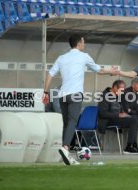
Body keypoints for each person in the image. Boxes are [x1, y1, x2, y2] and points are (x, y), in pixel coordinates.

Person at [43, 34, 117, 165]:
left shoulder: (61, 58)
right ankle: (65, 148)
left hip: (62, 95)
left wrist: (45, 92)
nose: (84, 44)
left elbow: (49, 74)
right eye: (83, 41)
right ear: (79, 43)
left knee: (66, 124)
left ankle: (65, 153)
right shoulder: (84, 56)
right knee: (73, 122)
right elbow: (98, 70)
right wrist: (111, 70)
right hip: (75, 94)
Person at [98, 80, 138, 154]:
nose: (122, 92)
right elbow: (102, 113)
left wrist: (123, 113)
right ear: (114, 87)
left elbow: (121, 108)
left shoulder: (118, 96)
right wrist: (118, 115)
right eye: (121, 90)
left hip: (117, 118)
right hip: (108, 120)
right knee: (133, 120)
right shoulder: (104, 96)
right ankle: (129, 146)